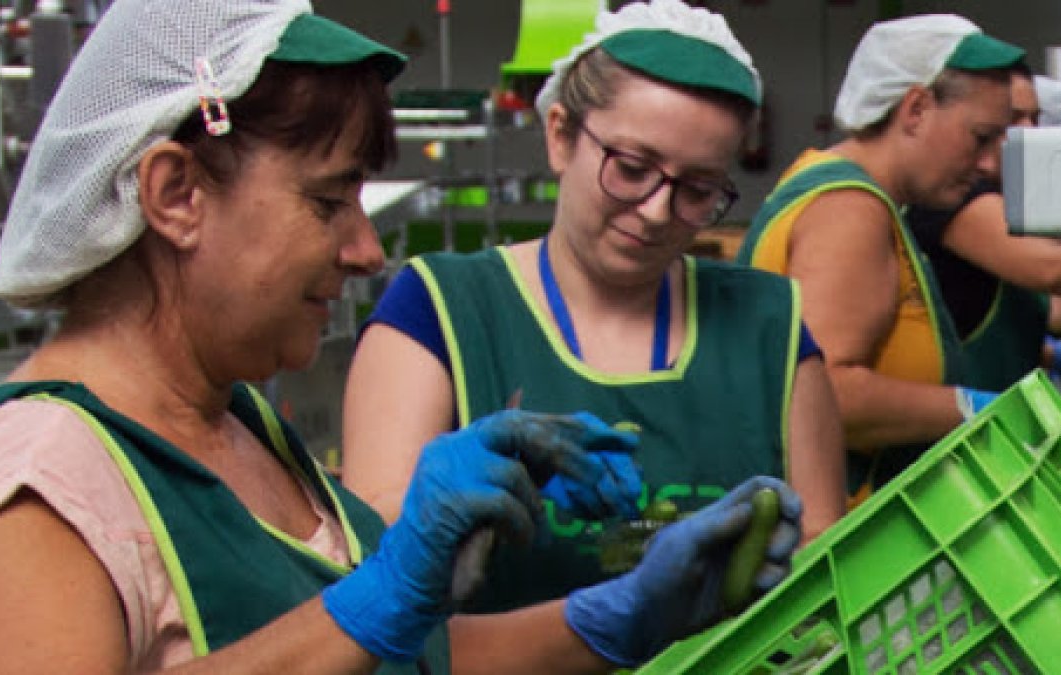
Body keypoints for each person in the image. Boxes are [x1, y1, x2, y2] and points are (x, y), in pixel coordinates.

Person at [0, 1, 805, 672]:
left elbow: (409, 659)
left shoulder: (240, 424)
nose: (366, 250)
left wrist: (615, 615)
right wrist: (374, 599)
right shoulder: (43, 483)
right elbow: (354, 634)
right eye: (326, 201)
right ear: (176, 193)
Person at [343, 0, 846, 614]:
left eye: (697, 190)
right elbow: (372, 570)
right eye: (632, 169)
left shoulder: (770, 324)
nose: (658, 210)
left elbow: (829, 569)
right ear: (560, 136)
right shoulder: (439, 311)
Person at [736, 14, 1025, 502]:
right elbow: (826, 393)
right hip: (835, 535)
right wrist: (970, 407)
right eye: (979, 137)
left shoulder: (857, 195)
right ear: (915, 108)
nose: (989, 164)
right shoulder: (848, 209)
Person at [906, 63, 1061, 395]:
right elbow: (1051, 271)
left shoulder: (1008, 201)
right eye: (1013, 119)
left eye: (1035, 118)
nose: (1027, 132)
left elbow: (1056, 312)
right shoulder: (952, 201)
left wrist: (1055, 355)